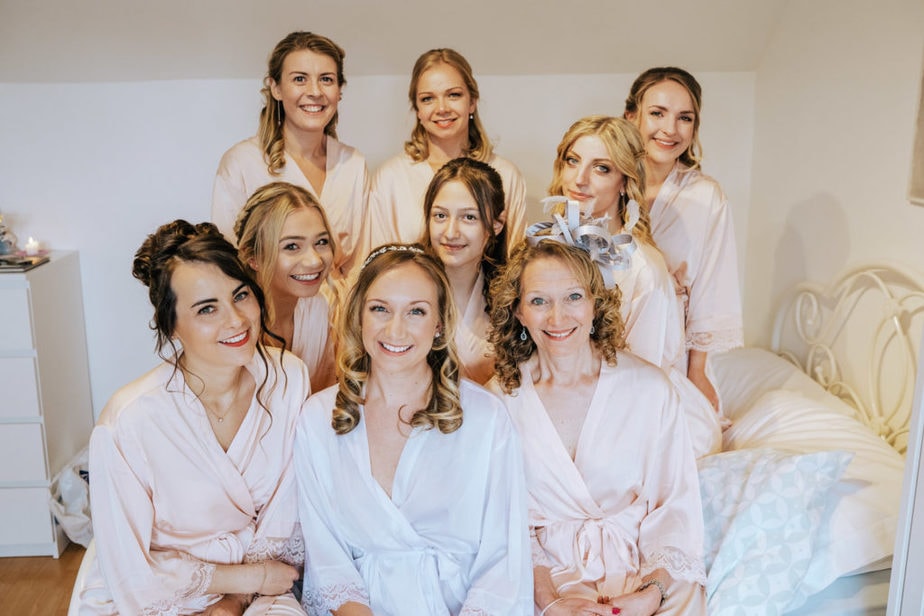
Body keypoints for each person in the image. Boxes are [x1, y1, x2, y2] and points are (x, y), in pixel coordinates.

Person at [76, 221, 310, 615]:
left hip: (265, 586)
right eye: (207, 308)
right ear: (171, 325)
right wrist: (242, 582)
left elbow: (287, 514)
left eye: (240, 295)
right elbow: (130, 574)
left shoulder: (288, 378)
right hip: (154, 594)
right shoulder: (128, 422)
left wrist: (235, 601)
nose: (236, 320)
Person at [294, 244, 532, 616]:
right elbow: (327, 558)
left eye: (416, 311)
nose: (395, 329)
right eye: (380, 309)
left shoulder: (487, 418)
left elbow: (504, 559)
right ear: (358, 315)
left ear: (439, 324)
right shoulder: (317, 419)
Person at [487, 239, 707, 616]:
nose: (557, 318)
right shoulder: (499, 402)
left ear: (595, 303)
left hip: (646, 571)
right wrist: (550, 602)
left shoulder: (650, 390)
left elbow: (675, 507)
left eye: (573, 297)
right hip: (540, 579)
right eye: (539, 301)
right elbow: (502, 524)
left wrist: (651, 593)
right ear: (519, 312)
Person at [545, 115, 721, 456]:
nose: (579, 179)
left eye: (601, 168)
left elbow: (639, 381)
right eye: (573, 161)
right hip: (569, 394)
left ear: (625, 182)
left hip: (643, 411)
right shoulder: (547, 251)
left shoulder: (643, 269)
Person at [624, 67, 743, 410]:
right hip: (605, 339)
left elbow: (711, 287)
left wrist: (697, 372)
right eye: (657, 113)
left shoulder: (706, 197)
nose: (670, 129)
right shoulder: (608, 182)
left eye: (684, 118)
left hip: (671, 346)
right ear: (632, 116)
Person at [212, 31, 368, 275]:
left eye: (326, 79)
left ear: (339, 90)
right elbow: (228, 262)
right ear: (276, 88)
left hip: (343, 299)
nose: (315, 91)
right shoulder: (241, 163)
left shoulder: (353, 164)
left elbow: (361, 261)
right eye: (300, 79)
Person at [362, 48, 526, 258]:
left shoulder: (506, 175)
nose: (442, 108)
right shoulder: (390, 178)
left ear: (472, 102)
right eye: (428, 99)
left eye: (453, 95)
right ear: (418, 110)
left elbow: (515, 260)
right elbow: (380, 262)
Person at [236, 181, 339, 391]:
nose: (315, 261)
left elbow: (322, 397)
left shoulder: (317, 308)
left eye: (321, 242)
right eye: (292, 246)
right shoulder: (234, 323)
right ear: (253, 257)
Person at [421, 157, 506, 384]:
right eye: (440, 215)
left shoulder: (512, 298)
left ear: (496, 224)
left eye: (469, 217)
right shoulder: (406, 290)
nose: (451, 233)